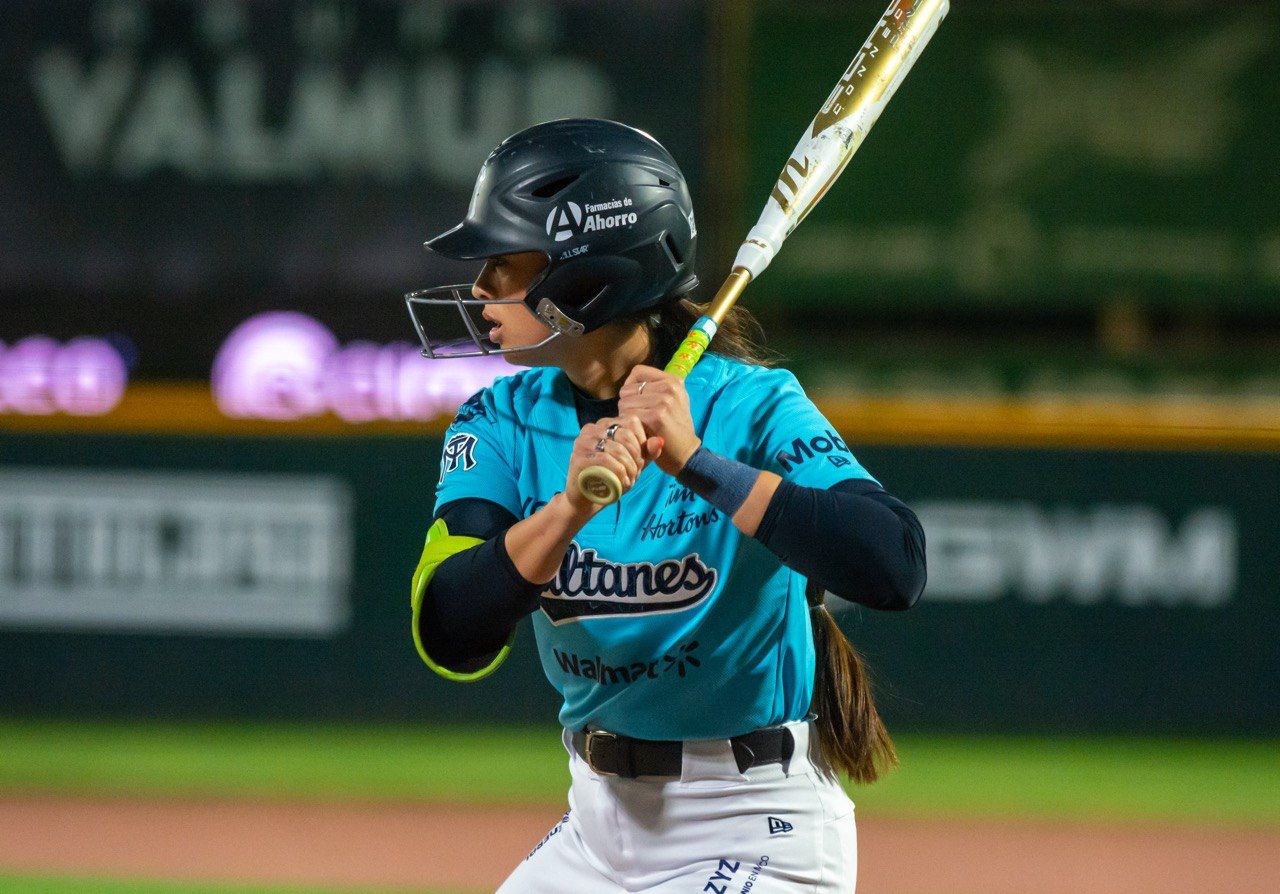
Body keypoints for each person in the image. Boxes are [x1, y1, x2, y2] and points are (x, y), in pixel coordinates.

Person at [404, 118, 925, 893]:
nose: (480, 288)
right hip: (596, 819)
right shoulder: (501, 420)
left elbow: (894, 564)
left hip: (754, 818)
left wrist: (699, 464)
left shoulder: (751, 405)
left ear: (585, 276)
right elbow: (449, 628)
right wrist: (565, 513)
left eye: (503, 261)